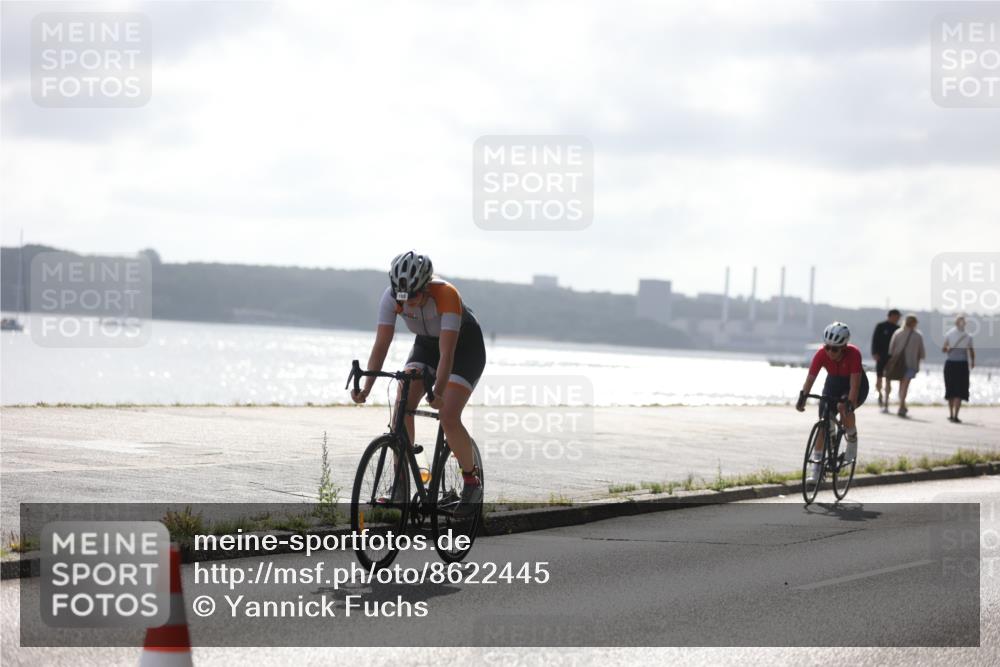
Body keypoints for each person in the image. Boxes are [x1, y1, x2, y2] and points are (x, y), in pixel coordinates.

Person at [351, 251, 487, 515]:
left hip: (463, 349)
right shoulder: (391, 297)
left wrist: (437, 392)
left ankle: (472, 481)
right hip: (425, 346)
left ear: (426, 287)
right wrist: (366, 387)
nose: (408, 303)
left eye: (413, 296)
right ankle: (400, 485)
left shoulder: (447, 295)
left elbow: (447, 355)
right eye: (402, 297)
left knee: (448, 415)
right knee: (402, 403)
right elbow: (381, 345)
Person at [796, 322, 870, 482]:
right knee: (823, 421)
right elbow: (810, 378)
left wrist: (849, 404)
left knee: (843, 407)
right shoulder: (821, 354)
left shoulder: (854, 354)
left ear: (843, 347)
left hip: (854, 383)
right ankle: (816, 472)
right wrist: (802, 397)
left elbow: (855, 385)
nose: (830, 352)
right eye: (827, 347)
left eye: (834, 349)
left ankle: (852, 439)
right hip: (834, 383)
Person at [887, 314, 925, 418]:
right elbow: (921, 353)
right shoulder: (918, 336)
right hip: (911, 364)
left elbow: (891, 349)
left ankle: (902, 405)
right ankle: (901, 405)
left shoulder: (897, 333)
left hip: (898, 364)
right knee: (905, 386)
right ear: (914, 323)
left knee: (901, 385)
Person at [943, 315, 975, 423]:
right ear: (964, 324)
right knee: (959, 390)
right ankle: (955, 415)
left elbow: (944, 349)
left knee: (950, 388)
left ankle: (951, 414)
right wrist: (972, 362)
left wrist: (950, 349)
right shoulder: (968, 336)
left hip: (950, 364)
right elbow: (971, 351)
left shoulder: (949, 334)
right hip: (962, 365)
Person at [871, 309, 901, 412]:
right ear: (891, 316)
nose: (898, 319)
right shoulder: (880, 326)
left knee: (888, 379)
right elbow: (874, 340)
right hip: (880, 356)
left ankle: (886, 401)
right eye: (896, 317)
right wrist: (874, 353)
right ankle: (879, 394)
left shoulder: (898, 329)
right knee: (879, 378)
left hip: (891, 358)